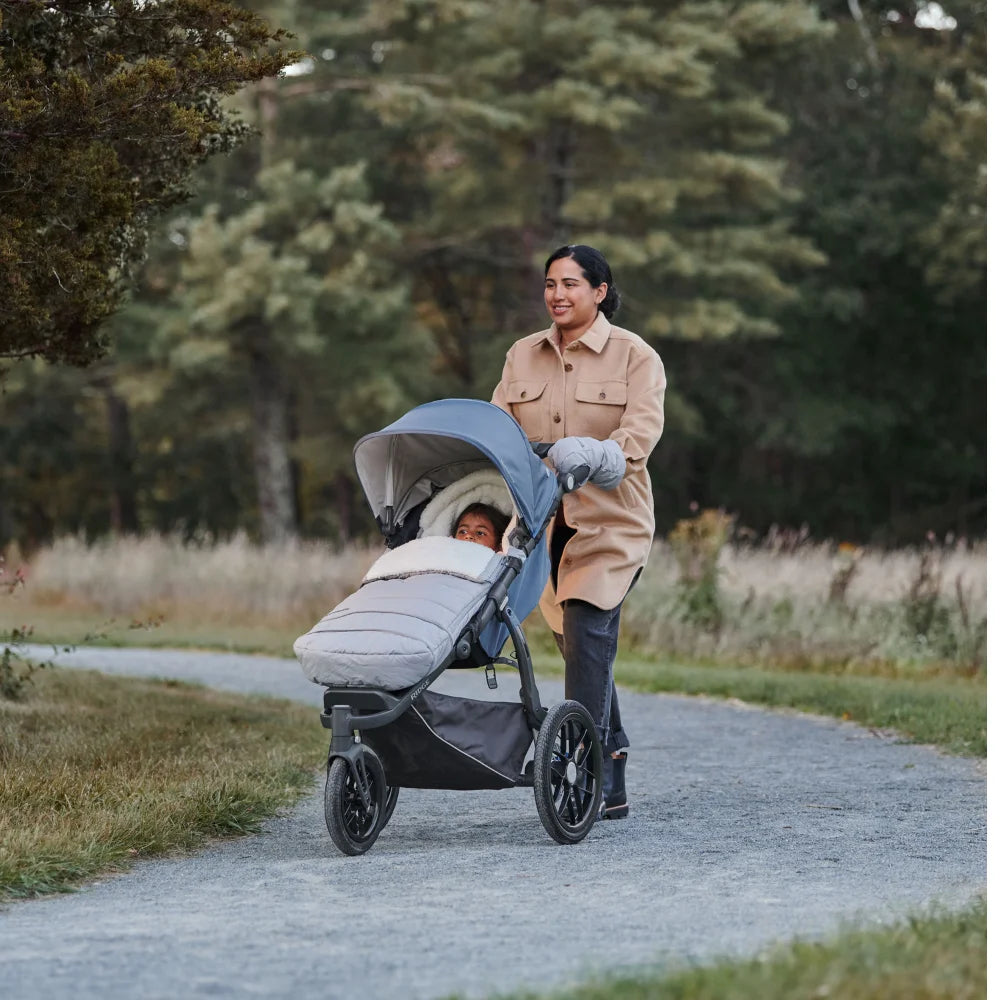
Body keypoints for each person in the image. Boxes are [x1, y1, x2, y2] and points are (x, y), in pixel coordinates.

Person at [490, 244, 666, 820]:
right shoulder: (522, 356)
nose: (558, 295)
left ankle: (581, 777)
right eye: (549, 284)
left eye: (571, 284)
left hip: (611, 522)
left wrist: (597, 455)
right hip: (541, 526)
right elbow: (499, 430)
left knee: (589, 628)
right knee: (578, 645)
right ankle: (612, 760)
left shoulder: (636, 357)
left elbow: (638, 434)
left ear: (600, 291)